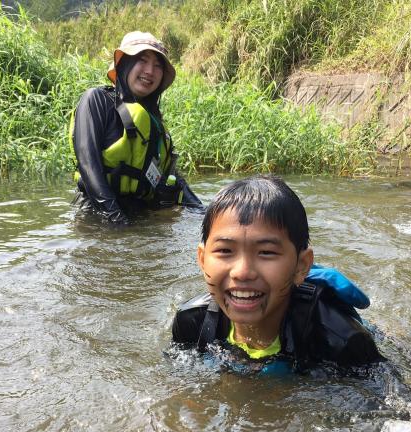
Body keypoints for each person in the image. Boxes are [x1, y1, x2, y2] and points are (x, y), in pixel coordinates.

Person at [171, 175, 385, 373]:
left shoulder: (340, 341)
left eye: (266, 252)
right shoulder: (191, 323)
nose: (242, 272)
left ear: (301, 266)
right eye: (225, 251)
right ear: (202, 259)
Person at [71, 31, 204, 226]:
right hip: (96, 218)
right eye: (142, 60)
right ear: (124, 64)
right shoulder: (97, 100)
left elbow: (174, 179)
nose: (150, 71)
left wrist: (205, 214)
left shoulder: (155, 127)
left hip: (141, 219)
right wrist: (117, 220)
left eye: (158, 65)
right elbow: (88, 164)